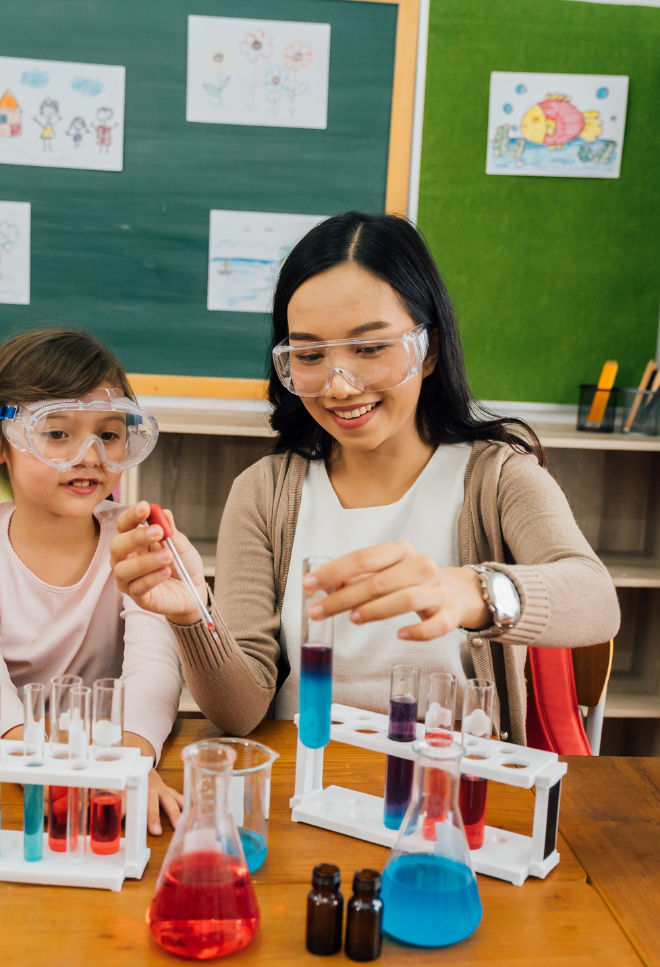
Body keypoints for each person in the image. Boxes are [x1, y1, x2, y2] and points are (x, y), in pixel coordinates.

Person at [110, 212, 619, 744]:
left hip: (450, 790)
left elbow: (595, 601)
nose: (339, 385)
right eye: (309, 355)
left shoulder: (496, 477)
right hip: (305, 786)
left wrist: (469, 589)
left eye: (370, 348)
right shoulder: (264, 493)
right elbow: (238, 713)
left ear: (430, 349)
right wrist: (195, 615)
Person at [0, 329, 184, 833]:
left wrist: (129, 765)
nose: (89, 457)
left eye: (108, 435)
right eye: (58, 433)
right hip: (5, 777)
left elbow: (155, 670)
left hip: (112, 761)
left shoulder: (138, 540)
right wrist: (63, 774)